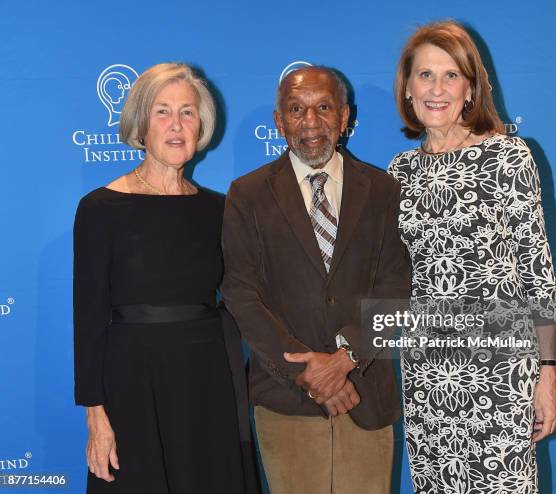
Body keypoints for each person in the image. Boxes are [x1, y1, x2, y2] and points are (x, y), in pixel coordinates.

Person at [388, 21, 556, 493]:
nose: (437, 89)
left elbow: (537, 274)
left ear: (470, 87)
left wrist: (547, 375)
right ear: (407, 87)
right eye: (425, 75)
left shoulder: (509, 157)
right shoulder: (398, 172)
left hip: (501, 371)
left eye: (450, 75)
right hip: (426, 373)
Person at [222, 66, 411, 493]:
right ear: (279, 121)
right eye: (296, 109)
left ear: (344, 118)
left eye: (323, 107)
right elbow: (241, 294)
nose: (310, 122)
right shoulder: (247, 195)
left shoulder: (383, 191)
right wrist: (305, 373)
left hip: (365, 394)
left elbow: (395, 288)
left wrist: (345, 357)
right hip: (286, 402)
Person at [73, 63, 248, 493]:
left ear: (201, 126)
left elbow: (245, 296)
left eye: (187, 113)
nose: (176, 125)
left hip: (207, 380)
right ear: (140, 125)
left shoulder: (218, 209)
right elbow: (89, 318)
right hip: (132, 384)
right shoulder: (100, 208)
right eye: (162, 112)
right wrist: (96, 415)